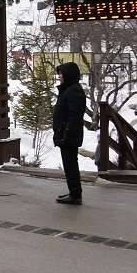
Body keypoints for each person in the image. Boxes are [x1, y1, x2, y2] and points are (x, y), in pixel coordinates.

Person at [52, 61, 88, 205]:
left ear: (69, 75)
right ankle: (74, 192)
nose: (59, 76)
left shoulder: (73, 91)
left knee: (71, 164)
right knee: (69, 164)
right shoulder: (69, 89)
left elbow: (75, 116)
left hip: (69, 135)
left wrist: (66, 134)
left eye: (61, 74)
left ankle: (75, 194)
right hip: (66, 134)